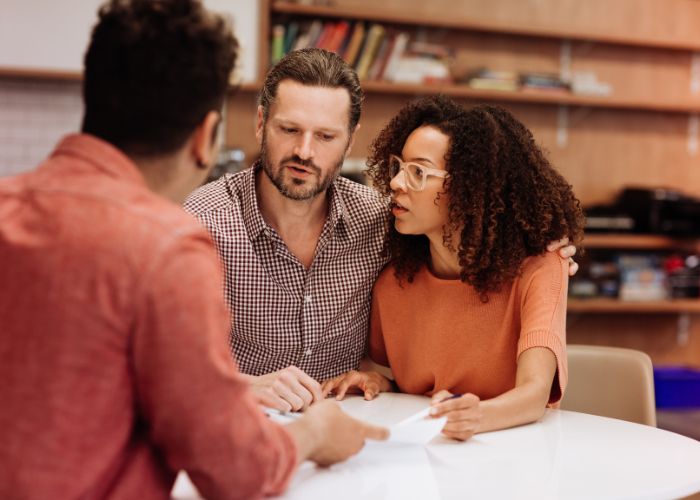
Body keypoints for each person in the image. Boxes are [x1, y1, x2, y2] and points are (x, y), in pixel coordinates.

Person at [0, 2, 387, 499]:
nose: (304, 151)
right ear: (207, 136)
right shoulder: (168, 245)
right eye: (289, 129)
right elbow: (232, 468)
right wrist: (314, 434)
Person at [185, 48, 580, 413]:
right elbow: (160, 362)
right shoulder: (203, 223)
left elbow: (470, 236)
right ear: (260, 123)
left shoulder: (380, 221)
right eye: (289, 129)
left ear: (349, 141)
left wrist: (547, 250)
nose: (304, 151)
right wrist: (242, 387)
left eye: (325, 136)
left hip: (350, 431)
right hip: (236, 422)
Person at [322, 96, 585, 441]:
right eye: (398, 166)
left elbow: (534, 395)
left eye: (418, 172)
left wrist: (475, 416)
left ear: (469, 188)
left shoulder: (541, 269)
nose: (397, 183)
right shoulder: (393, 284)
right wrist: (377, 381)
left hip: (517, 455)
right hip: (427, 455)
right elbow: (405, 383)